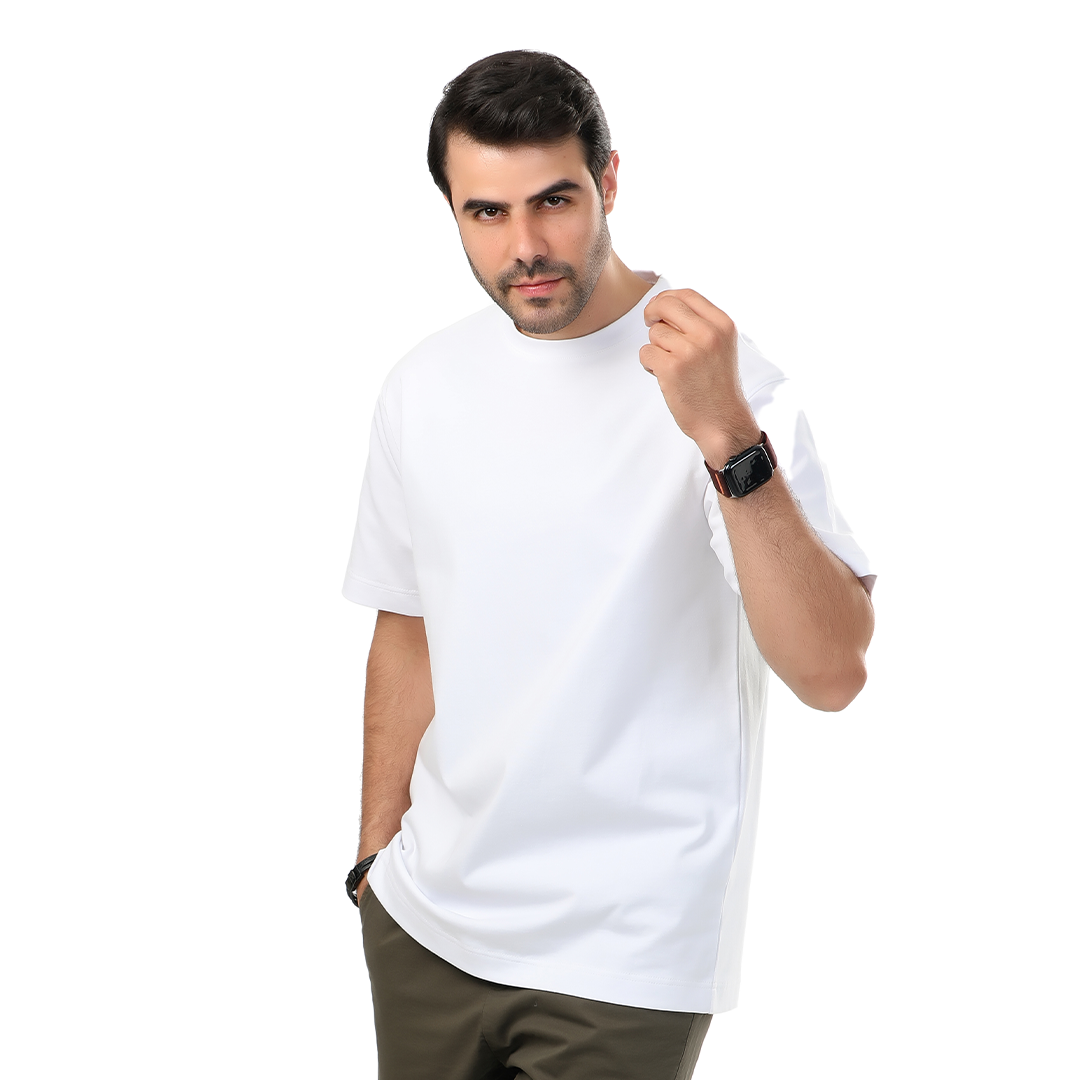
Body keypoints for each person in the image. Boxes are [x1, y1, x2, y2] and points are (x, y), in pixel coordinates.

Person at [341, 49, 875, 1080]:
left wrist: (727, 436)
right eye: (486, 212)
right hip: (427, 924)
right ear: (452, 210)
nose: (526, 247)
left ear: (610, 182)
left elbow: (833, 671)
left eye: (555, 200)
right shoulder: (423, 385)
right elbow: (408, 626)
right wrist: (373, 859)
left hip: (624, 956)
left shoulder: (729, 383)